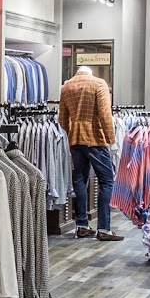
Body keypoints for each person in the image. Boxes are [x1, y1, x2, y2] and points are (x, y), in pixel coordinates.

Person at [59, 65, 121, 242]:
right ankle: (104, 228)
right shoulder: (99, 84)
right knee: (107, 180)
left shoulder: (66, 86)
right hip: (95, 139)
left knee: (80, 180)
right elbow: (105, 114)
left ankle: (82, 226)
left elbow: (62, 119)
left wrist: (72, 131)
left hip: (75, 139)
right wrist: (111, 139)